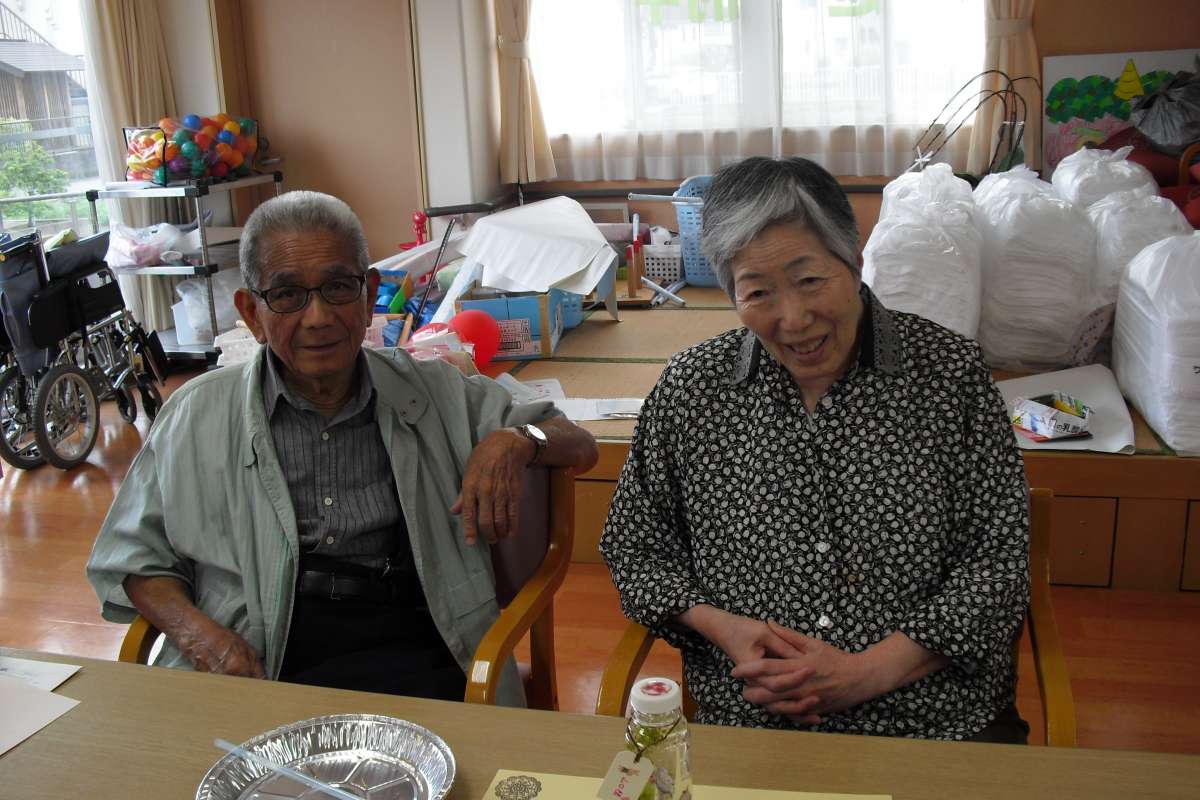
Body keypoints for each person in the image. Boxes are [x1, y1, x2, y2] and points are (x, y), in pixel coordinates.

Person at [87, 191, 598, 706]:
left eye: (337, 287)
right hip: (256, 653)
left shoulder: (435, 391)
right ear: (252, 313)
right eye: (287, 294)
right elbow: (134, 558)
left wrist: (517, 440)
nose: (317, 317)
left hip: (417, 640)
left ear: (369, 293)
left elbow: (577, 441)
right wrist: (199, 636)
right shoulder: (195, 412)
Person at [600, 157, 1030, 742]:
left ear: (853, 260)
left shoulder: (949, 377)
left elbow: (998, 563)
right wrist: (722, 627)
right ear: (731, 293)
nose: (794, 319)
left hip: (931, 723)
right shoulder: (693, 389)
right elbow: (635, 546)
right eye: (758, 292)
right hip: (751, 721)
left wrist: (864, 674)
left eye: (809, 281)